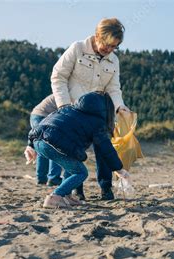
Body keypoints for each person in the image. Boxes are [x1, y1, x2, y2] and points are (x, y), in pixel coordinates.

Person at [50, 17, 130, 200]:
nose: (109, 50)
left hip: (99, 112)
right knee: (75, 151)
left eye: (114, 47)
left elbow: (113, 88)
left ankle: (106, 189)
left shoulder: (114, 60)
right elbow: (58, 76)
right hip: (74, 112)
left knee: (104, 148)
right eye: (107, 45)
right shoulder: (77, 48)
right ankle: (77, 191)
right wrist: (63, 105)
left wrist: (120, 107)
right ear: (97, 36)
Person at [24, 92, 128, 209]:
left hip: (38, 140)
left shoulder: (69, 109)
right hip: (54, 143)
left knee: (72, 166)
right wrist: (118, 168)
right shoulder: (97, 122)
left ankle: (67, 196)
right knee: (81, 172)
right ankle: (55, 196)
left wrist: (30, 145)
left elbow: (46, 121)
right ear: (106, 109)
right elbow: (106, 148)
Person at [29, 95, 62, 186]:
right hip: (42, 116)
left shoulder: (66, 90)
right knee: (54, 146)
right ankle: (53, 178)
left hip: (38, 115)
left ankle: (41, 178)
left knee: (42, 148)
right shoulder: (66, 93)